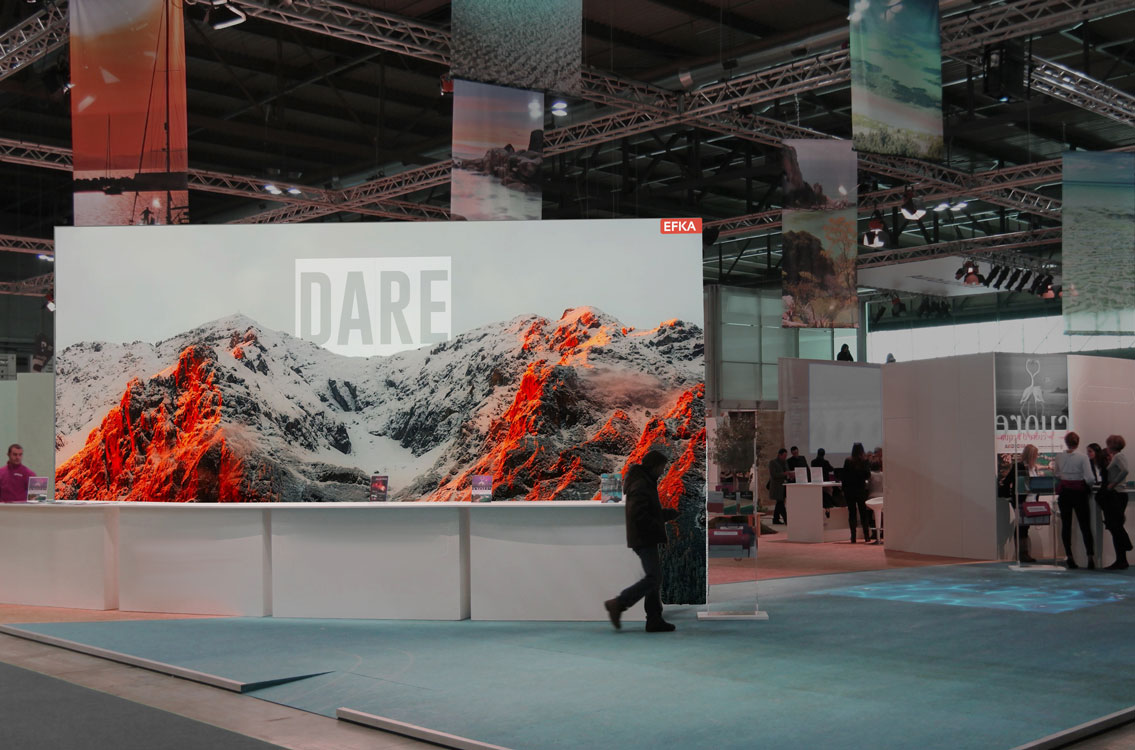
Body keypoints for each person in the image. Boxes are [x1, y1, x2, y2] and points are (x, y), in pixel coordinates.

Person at [605, 450, 679, 632]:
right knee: (654, 577)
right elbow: (639, 515)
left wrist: (666, 515)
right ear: (654, 466)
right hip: (644, 537)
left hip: (645, 536)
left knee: (654, 578)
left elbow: (647, 512)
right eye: (662, 467)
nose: (663, 471)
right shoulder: (641, 484)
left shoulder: (644, 481)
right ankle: (619, 603)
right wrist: (658, 522)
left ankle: (654, 619)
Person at [1053, 432, 1095, 569]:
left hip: (1065, 493)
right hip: (1079, 493)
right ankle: (1090, 557)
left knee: (1066, 525)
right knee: (1085, 525)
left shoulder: (1059, 456)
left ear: (1066, 442)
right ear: (1078, 442)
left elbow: (1056, 473)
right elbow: (1090, 478)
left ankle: (1069, 556)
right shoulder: (1083, 457)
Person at [1098, 435, 1130, 570]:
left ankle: (1126, 546)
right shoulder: (1117, 457)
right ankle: (1121, 559)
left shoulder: (1118, 457)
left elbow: (1125, 471)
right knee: (1115, 526)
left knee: (1115, 525)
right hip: (1117, 493)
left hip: (1117, 494)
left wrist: (1113, 484)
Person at [842, 443, 874, 543]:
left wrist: (844, 489)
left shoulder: (848, 461)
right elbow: (867, 475)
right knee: (863, 513)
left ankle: (853, 537)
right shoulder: (864, 461)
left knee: (852, 513)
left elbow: (844, 476)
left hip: (849, 490)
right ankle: (866, 536)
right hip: (860, 489)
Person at [768, 448, 790, 525]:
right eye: (784, 456)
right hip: (777, 487)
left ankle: (775, 519)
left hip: (784, 486)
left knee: (779, 503)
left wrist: (790, 474)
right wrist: (784, 474)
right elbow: (773, 475)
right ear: (779, 455)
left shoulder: (785, 462)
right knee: (780, 503)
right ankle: (786, 519)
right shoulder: (773, 462)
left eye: (786, 456)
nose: (785, 457)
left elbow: (787, 471)